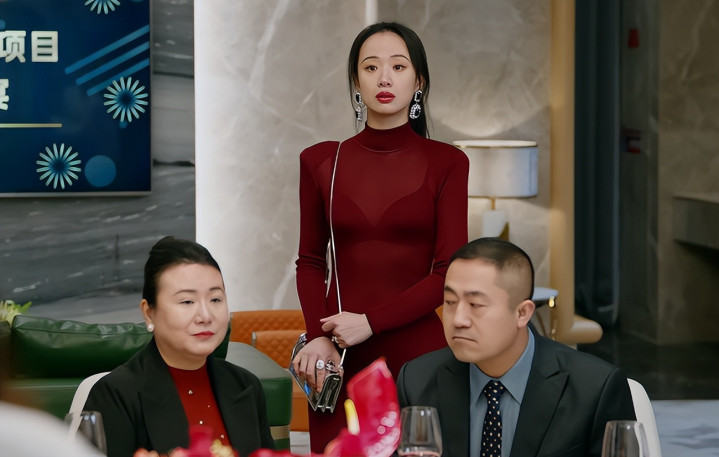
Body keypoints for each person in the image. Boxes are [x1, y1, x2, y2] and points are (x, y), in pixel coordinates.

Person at [292, 22, 469, 452]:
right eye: (370, 67)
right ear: (356, 81)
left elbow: (449, 272)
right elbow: (310, 261)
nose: (384, 78)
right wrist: (318, 336)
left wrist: (369, 322)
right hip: (338, 358)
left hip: (420, 358)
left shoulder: (448, 163)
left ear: (418, 80)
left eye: (398, 67)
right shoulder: (321, 161)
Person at [397, 238, 636, 457]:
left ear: (522, 313)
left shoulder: (594, 390)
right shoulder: (417, 382)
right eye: (450, 302)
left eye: (475, 304)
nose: (458, 319)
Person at [84, 237, 275, 457]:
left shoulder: (246, 385)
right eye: (187, 301)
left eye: (215, 299)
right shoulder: (114, 396)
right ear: (149, 313)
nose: (206, 316)